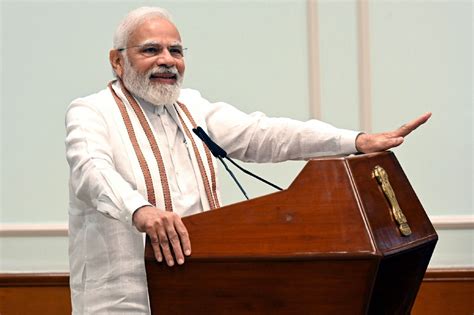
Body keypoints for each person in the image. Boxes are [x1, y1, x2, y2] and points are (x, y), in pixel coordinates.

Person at [65, 6, 431, 314]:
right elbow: (91, 171)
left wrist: (355, 141)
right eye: (151, 50)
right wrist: (141, 211)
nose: (167, 60)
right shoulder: (91, 112)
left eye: (176, 51)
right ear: (117, 61)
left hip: (200, 288)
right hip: (125, 298)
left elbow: (266, 134)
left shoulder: (191, 107)